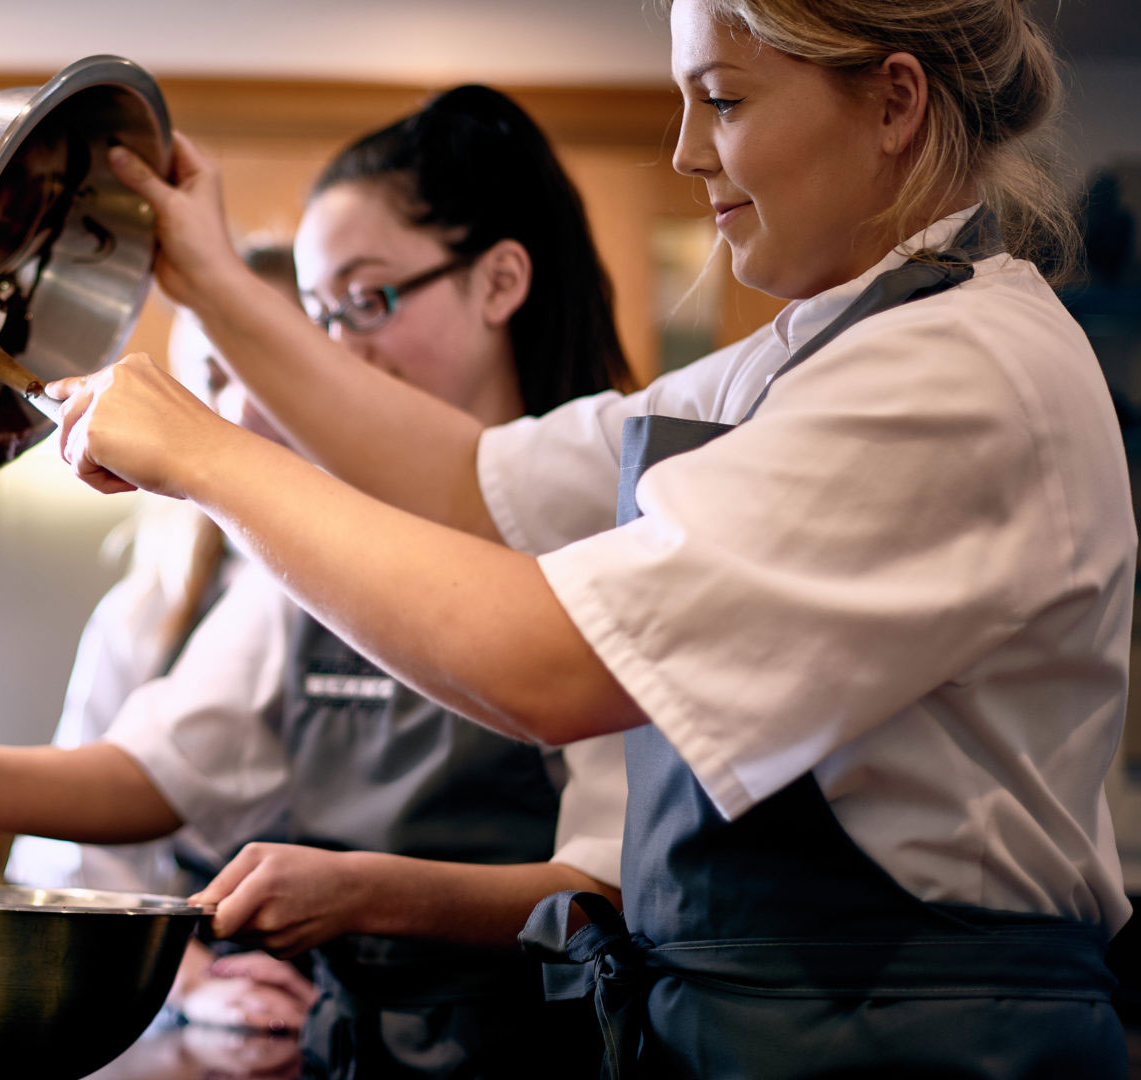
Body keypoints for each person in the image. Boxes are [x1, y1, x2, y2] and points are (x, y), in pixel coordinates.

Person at [59, 1, 1132, 1076]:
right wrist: (202, 279)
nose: (684, 149)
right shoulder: (803, 358)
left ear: (894, 102)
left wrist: (207, 457)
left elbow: (550, 665)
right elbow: (470, 482)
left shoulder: (954, 373)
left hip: (912, 1044)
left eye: (721, 100)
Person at [0, 86, 630, 1080]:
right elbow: (160, 769)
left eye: (364, 302)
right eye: (320, 316)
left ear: (500, 283)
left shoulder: (620, 522)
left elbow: (617, 890)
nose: (324, 358)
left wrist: (372, 891)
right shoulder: (335, 536)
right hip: (350, 1052)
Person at [3, 241, 320, 1038]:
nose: (240, 411)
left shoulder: (400, 575)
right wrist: (188, 977)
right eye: (211, 378)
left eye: (267, 372)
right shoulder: (142, 614)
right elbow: (68, 860)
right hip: (207, 1009)